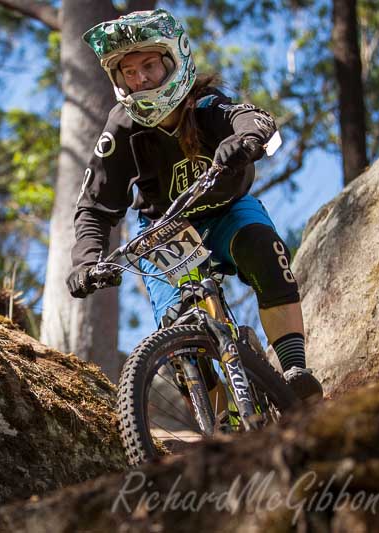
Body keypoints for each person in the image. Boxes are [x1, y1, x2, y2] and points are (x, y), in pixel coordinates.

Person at [66, 8, 323, 401]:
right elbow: (94, 206)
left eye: (149, 65)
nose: (140, 79)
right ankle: (218, 422)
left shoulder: (205, 104)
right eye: (128, 72)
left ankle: (295, 373)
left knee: (263, 248)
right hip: (163, 231)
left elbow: (251, 118)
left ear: (174, 60)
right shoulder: (122, 127)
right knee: (177, 330)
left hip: (226, 211)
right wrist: (86, 261)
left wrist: (245, 141)